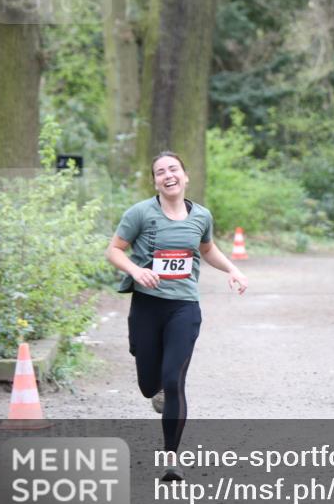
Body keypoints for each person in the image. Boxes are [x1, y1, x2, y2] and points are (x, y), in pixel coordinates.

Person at [105, 151, 248, 482]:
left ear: (185, 177)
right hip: (146, 307)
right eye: (160, 172)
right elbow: (114, 250)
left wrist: (233, 269)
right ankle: (154, 388)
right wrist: (136, 271)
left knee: (174, 380)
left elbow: (207, 248)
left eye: (173, 169)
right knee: (148, 385)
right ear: (155, 180)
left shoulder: (201, 216)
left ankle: (171, 459)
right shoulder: (140, 213)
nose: (167, 175)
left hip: (183, 309)